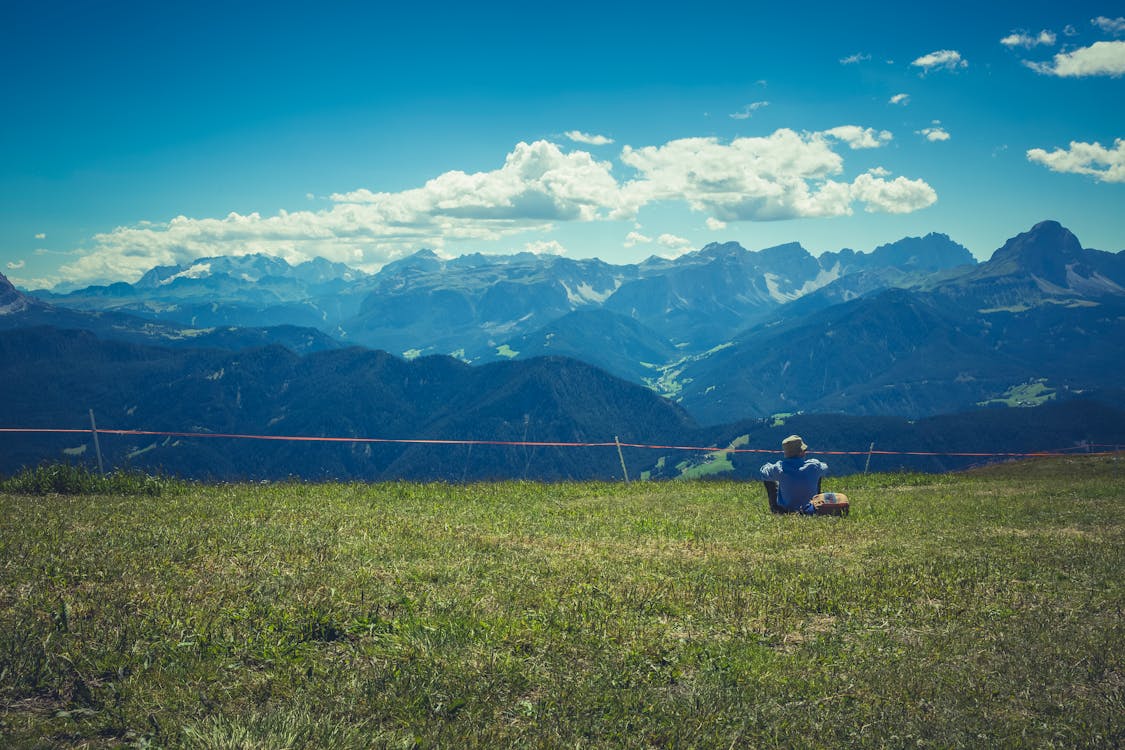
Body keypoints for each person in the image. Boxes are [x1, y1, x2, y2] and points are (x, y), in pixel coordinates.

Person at [759, 435, 847, 515]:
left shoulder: (778, 468)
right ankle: (816, 499)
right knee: (818, 474)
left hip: (785, 510)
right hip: (810, 508)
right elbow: (825, 467)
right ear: (801, 452)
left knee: (769, 479)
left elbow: (763, 472)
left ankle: (776, 510)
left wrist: (769, 466)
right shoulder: (814, 466)